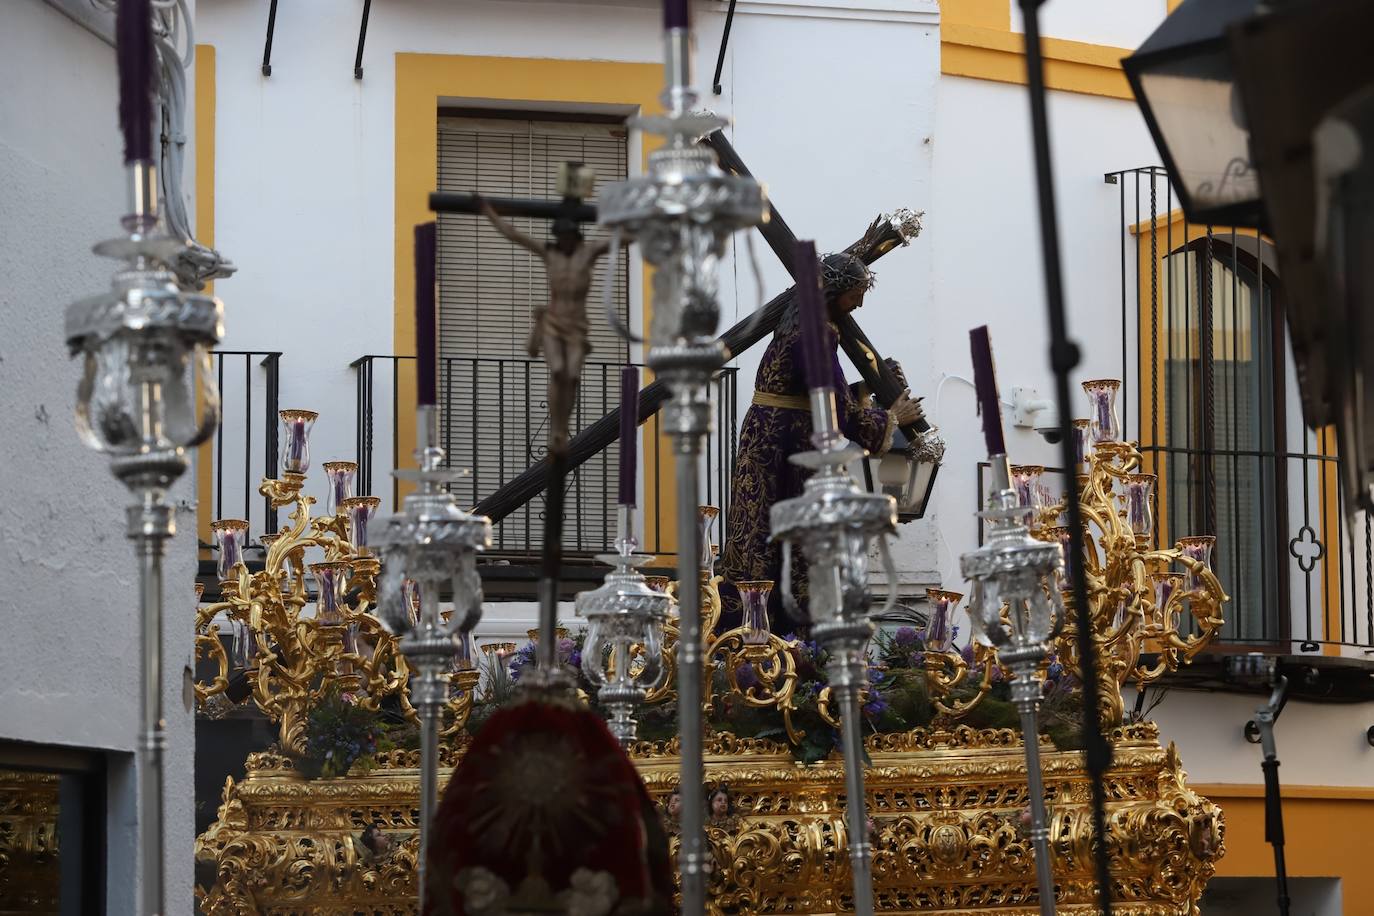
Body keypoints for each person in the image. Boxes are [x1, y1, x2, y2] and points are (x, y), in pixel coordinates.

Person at [720, 253, 924, 633]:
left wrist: (868, 388)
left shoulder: (804, 324)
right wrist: (893, 417)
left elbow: (820, 393)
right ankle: (774, 636)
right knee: (778, 541)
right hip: (780, 449)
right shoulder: (813, 333)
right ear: (834, 291)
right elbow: (835, 411)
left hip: (777, 438)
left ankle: (770, 631)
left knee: (769, 537)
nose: (859, 304)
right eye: (855, 294)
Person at [475, 198, 616, 457]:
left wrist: (641, 216)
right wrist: (488, 212)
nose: (565, 240)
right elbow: (514, 235)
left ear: (575, 236)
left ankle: (563, 426)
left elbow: (622, 239)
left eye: (569, 236)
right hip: (552, 322)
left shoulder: (589, 253)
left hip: (576, 327)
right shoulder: (549, 254)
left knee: (572, 376)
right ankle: (557, 432)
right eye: (561, 236)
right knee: (559, 371)